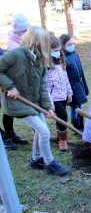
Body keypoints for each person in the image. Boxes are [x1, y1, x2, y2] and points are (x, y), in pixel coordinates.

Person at [0, 27, 69, 176]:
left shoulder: (39, 58)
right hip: (17, 102)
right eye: (45, 42)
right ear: (36, 41)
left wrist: (47, 106)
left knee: (41, 128)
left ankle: (36, 159)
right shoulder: (16, 54)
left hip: (34, 102)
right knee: (44, 132)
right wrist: (10, 86)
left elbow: (43, 86)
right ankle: (50, 163)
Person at [2, 14, 30, 150]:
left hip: (9, 82)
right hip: (6, 81)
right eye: (23, 30)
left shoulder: (19, 40)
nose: (25, 32)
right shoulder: (12, 44)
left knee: (7, 110)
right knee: (7, 109)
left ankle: (10, 134)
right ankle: (5, 137)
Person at [47, 33, 73, 151]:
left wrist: (69, 92)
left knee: (59, 117)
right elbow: (45, 85)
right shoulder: (46, 65)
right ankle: (63, 141)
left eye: (58, 50)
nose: (57, 53)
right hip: (54, 97)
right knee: (63, 116)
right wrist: (49, 101)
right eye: (54, 51)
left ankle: (59, 136)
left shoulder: (61, 61)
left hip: (63, 95)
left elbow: (66, 78)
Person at [60, 34, 89, 131]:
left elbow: (81, 73)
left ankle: (81, 126)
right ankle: (77, 127)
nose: (72, 45)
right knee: (75, 108)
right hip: (71, 88)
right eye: (69, 44)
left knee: (79, 107)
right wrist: (68, 92)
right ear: (63, 45)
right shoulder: (63, 59)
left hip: (79, 86)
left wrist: (85, 87)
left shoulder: (75, 55)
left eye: (73, 43)